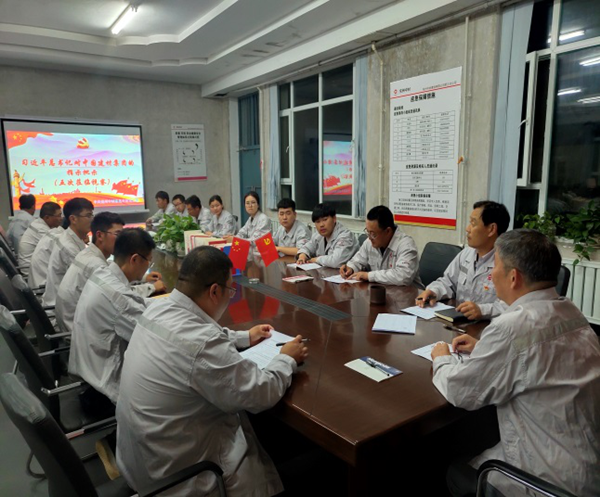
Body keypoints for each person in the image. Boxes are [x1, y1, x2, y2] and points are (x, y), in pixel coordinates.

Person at [116, 246, 308, 496]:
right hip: (185, 477)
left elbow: (194, 335)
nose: (230, 296)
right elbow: (260, 393)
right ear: (215, 291)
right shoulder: (202, 343)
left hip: (142, 462)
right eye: (230, 290)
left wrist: (243, 337)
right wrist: (286, 359)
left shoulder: (158, 308)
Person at [430, 230, 600, 497]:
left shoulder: (512, 327)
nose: (491, 274)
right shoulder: (570, 311)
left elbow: (461, 391)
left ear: (513, 277)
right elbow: (538, 354)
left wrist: (441, 358)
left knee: (453, 470)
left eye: (495, 266)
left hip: (545, 480)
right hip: (587, 464)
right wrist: (483, 348)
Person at [69, 228, 158, 404]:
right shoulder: (119, 299)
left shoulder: (103, 273)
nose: (149, 266)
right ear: (135, 259)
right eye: (149, 261)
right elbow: (153, 338)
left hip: (89, 372)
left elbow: (132, 300)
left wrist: (165, 304)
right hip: (106, 390)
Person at [56, 213, 165, 334]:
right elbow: (125, 299)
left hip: (80, 329)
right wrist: (151, 287)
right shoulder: (96, 266)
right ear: (99, 235)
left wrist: (144, 279)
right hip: (72, 330)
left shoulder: (96, 264)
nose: (123, 239)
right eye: (118, 234)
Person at [416, 200, 510, 320]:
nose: (467, 229)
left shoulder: (507, 263)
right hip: (459, 321)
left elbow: (512, 306)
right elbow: (447, 282)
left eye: (473, 224)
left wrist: (483, 310)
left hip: (488, 326)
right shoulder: (467, 253)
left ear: (491, 229)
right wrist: (434, 291)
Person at [340, 205, 423, 287]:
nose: (369, 237)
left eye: (373, 234)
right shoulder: (369, 242)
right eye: (367, 232)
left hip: (409, 293)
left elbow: (403, 276)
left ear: (388, 231)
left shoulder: (406, 245)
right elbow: (357, 261)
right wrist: (350, 268)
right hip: (383, 291)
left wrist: (369, 276)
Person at [42, 198, 94, 307]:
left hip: (66, 302)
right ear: (73, 219)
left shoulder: (70, 237)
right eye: (88, 216)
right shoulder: (69, 248)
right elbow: (88, 282)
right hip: (60, 307)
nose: (92, 220)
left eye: (92, 215)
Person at [297, 202, 359, 269]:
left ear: (334, 219)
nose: (321, 225)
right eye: (318, 221)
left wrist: (315, 260)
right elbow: (307, 247)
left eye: (325, 219)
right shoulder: (318, 235)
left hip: (346, 274)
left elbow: (336, 261)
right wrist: (302, 255)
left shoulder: (345, 236)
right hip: (326, 273)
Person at [17, 201, 62, 277]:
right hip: (32, 272)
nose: (61, 219)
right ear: (47, 217)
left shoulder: (38, 223)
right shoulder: (41, 230)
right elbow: (61, 247)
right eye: (59, 216)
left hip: (34, 267)